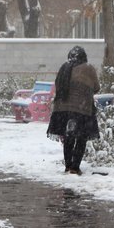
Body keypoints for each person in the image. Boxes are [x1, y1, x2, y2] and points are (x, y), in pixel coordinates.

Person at [47, 46, 100, 175]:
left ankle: (68, 166)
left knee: (68, 137)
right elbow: (96, 87)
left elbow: (58, 86)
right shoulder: (89, 69)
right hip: (81, 109)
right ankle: (75, 167)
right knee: (81, 138)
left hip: (62, 109)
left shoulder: (64, 68)